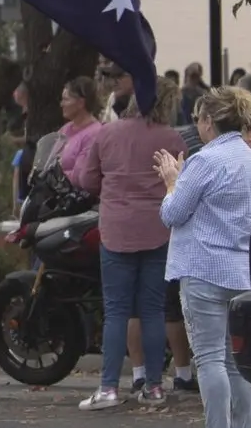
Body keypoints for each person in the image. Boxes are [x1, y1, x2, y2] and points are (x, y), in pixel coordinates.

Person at [157, 86, 251, 428]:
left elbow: (173, 213)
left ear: (208, 121)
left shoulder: (204, 160)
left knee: (208, 359)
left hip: (202, 269)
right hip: (241, 271)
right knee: (238, 362)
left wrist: (172, 181)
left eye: (199, 118)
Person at [72, 77, 183, 409]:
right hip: (158, 230)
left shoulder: (108, 133)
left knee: (117, 311)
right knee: (153, 310)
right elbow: (179, 183)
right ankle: (154, 387)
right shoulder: (173, 138)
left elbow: (86, 178)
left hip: (117, 230)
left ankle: (108, 389)